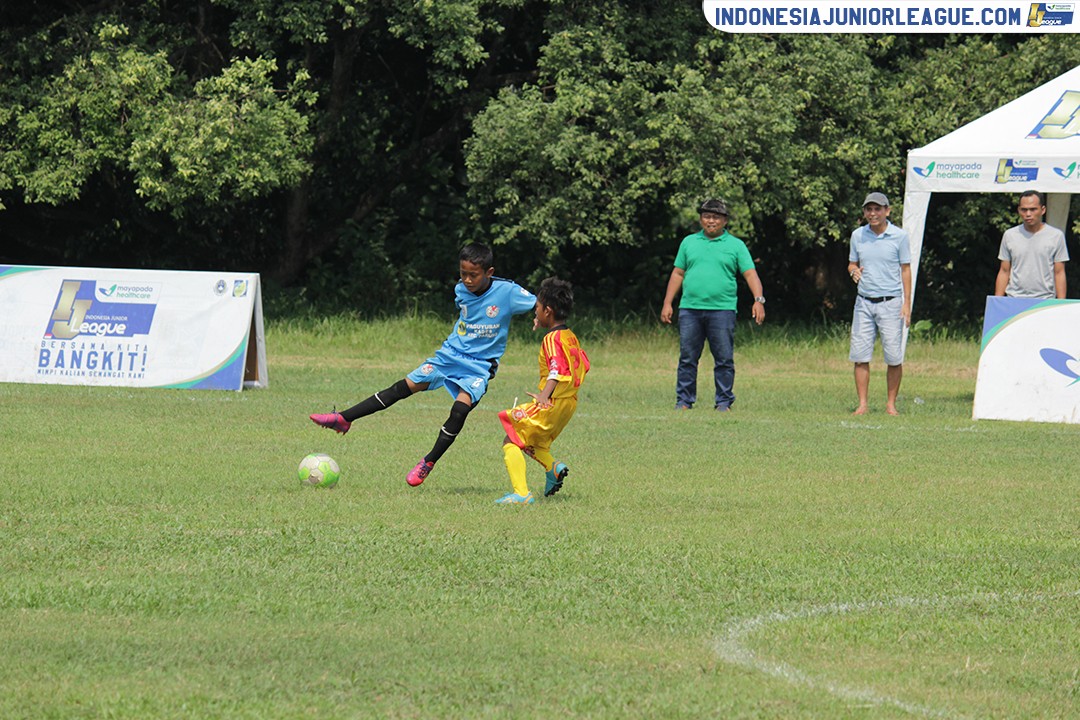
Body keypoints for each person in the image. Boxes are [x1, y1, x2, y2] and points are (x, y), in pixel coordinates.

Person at [309, 242, 537, 486]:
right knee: (402, 388)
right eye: (463, 273)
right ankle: (343, 418)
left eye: (474, 275)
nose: (468, 280)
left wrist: (539, 316)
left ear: (489, 273)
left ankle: (428, 461)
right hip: (449, 356)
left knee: (460, 410)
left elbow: (540, 303)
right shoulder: (460, 290)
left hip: (480, 366)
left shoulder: (507, 291)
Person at [660, 198, 765, 411]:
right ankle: (684, 401)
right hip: (690, 309)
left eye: (716, 217)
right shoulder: (689, 242)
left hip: (723, 310)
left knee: (724, 358)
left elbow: (750, 274)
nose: (711, 220)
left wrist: (758, 300)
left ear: (725, 220)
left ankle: (724, 401)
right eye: (706, 216)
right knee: (688, 358)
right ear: (700, 219)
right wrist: (667, 302)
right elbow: (678, 273)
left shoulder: (736, 245)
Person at [496, 277, 590, 505]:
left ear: (548, 310)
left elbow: (557, 370)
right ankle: (553, 469)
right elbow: (584, 365)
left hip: (552, 401)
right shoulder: (569, 337)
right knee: (534, 442)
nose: (535, 312)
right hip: (568, 403)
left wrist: (544, 395)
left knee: (511, 439)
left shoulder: (551, 339)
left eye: (537, 308)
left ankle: (521, 494)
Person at [847, 192, 912, 416]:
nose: (872, 214)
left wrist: (907, 304)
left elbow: (906, 270)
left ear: (887, 211)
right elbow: (852, 263)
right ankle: (863, 404)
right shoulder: (858, 236)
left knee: (894, 357)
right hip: (863, 302)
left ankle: (890, 404)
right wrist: (854, 271)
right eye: (868, 209)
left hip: (891, 302)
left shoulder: (900, 236)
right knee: (860, 356)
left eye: (877, 209)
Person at [995, 190, 1069, 299]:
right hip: (1014, 299)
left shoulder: (1056, 236)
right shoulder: (1010, 235)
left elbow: (1059, 272)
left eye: (1033, 209)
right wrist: (997, 302)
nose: (1028, 214)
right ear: (1019, 210)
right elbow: (1004, 271)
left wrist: (1060, 303)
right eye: (1024, 210)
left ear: (1042, 210)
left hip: (1045, 300)